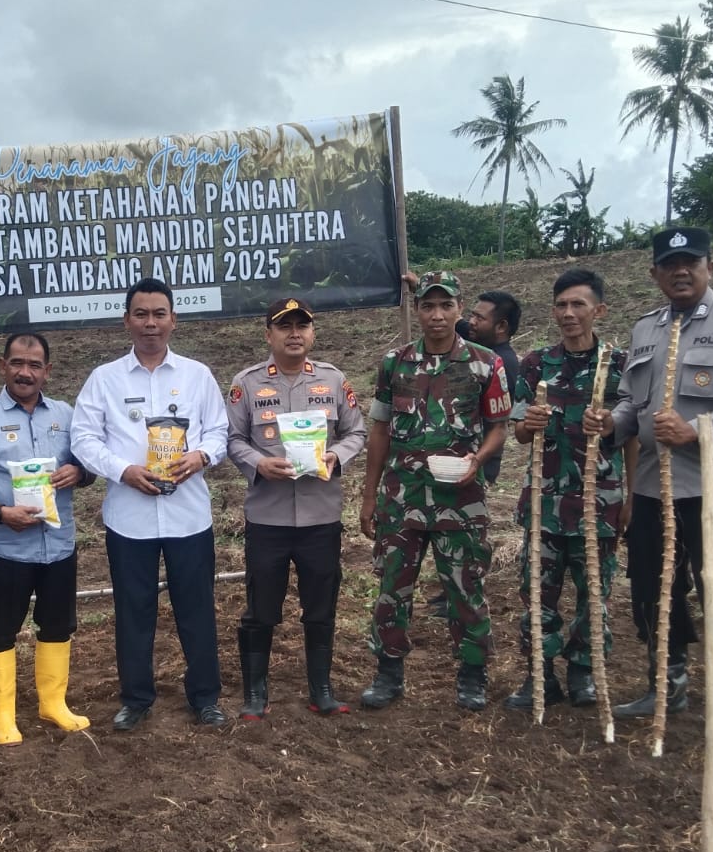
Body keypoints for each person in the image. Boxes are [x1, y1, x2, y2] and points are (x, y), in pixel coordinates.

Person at [599, 228, 713, 758]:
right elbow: (631, 403)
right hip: (653, 487)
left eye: (691, 262)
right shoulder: (646, 328)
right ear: (655, 273)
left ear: (709, 267)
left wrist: (700, 431)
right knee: (652, 590)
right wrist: (610, 424)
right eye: (670, 264)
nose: (680, 271)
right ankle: (668, 683)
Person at [72, 278, 230, 730]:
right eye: (141, 314)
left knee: (196, 609)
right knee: (133, 611)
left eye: (159, 314)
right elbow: (84, 438)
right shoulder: (104, 379)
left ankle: (205, 697)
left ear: (173, 320)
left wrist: (201, 456)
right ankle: (136, 699)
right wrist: (123, 470)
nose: (150, 323)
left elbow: (219, 431)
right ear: (126, 320)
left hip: (188, 516)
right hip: (130, 519)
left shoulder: (197, 375)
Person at [359, 271, 510, 711]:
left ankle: (472, 675)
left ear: (460, 308)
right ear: (418, 309)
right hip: (402, 498)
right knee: (392, 589)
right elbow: (380, 430)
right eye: (428, 306)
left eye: (446, 305)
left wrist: (478, 460)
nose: (437, 315)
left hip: (461, 499)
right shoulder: (395, 363)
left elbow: (499, 426)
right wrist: (368, 496)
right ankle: (388, 673)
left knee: (465, 589)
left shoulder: (486, 364)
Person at [226, 297, 366, 718]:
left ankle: (321, 689)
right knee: (261, 608)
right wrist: (258, 463)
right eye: (284, 326)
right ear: (268, 334)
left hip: (320, 516)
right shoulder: (247, 384)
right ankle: (255, 693)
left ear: (312, 333)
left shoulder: (333, 380)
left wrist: (336, 455)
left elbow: (356, 432)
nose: (294, 334)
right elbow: (232, 439)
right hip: (267, 518)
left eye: (301, 326)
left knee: (321, 606)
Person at [0, 332, 94, 745]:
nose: (25, 373)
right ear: (3, 366)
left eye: (34, 365)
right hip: (6, 547)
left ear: (47, 371)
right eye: (17, 363)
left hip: (58, 545)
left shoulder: (66, 414)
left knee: (57, 626)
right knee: (2, 630)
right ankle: (4, 716)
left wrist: (79, 472)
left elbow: (88, 466)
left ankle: (53, 704)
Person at [506, 269, 631, 710]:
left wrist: (630, 497)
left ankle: (583, 672)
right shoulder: (536, 364)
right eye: (561, 305)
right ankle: (539, 675)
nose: (568, 313)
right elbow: (519, 432)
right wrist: (529, 424)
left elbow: (632, 436)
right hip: (545, 502)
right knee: (537, 593)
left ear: (599, 310)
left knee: (593, 594)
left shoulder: (618, 366)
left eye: (578, 304)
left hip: (599, 501)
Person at [466, 289, 522, 484]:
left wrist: (478, 461)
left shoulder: (501, 363)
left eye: (479, 318)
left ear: (501, 326)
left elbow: (498, 425)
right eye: (472, 315)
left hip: (479, 463)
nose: (471, 322)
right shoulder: (482, 348)